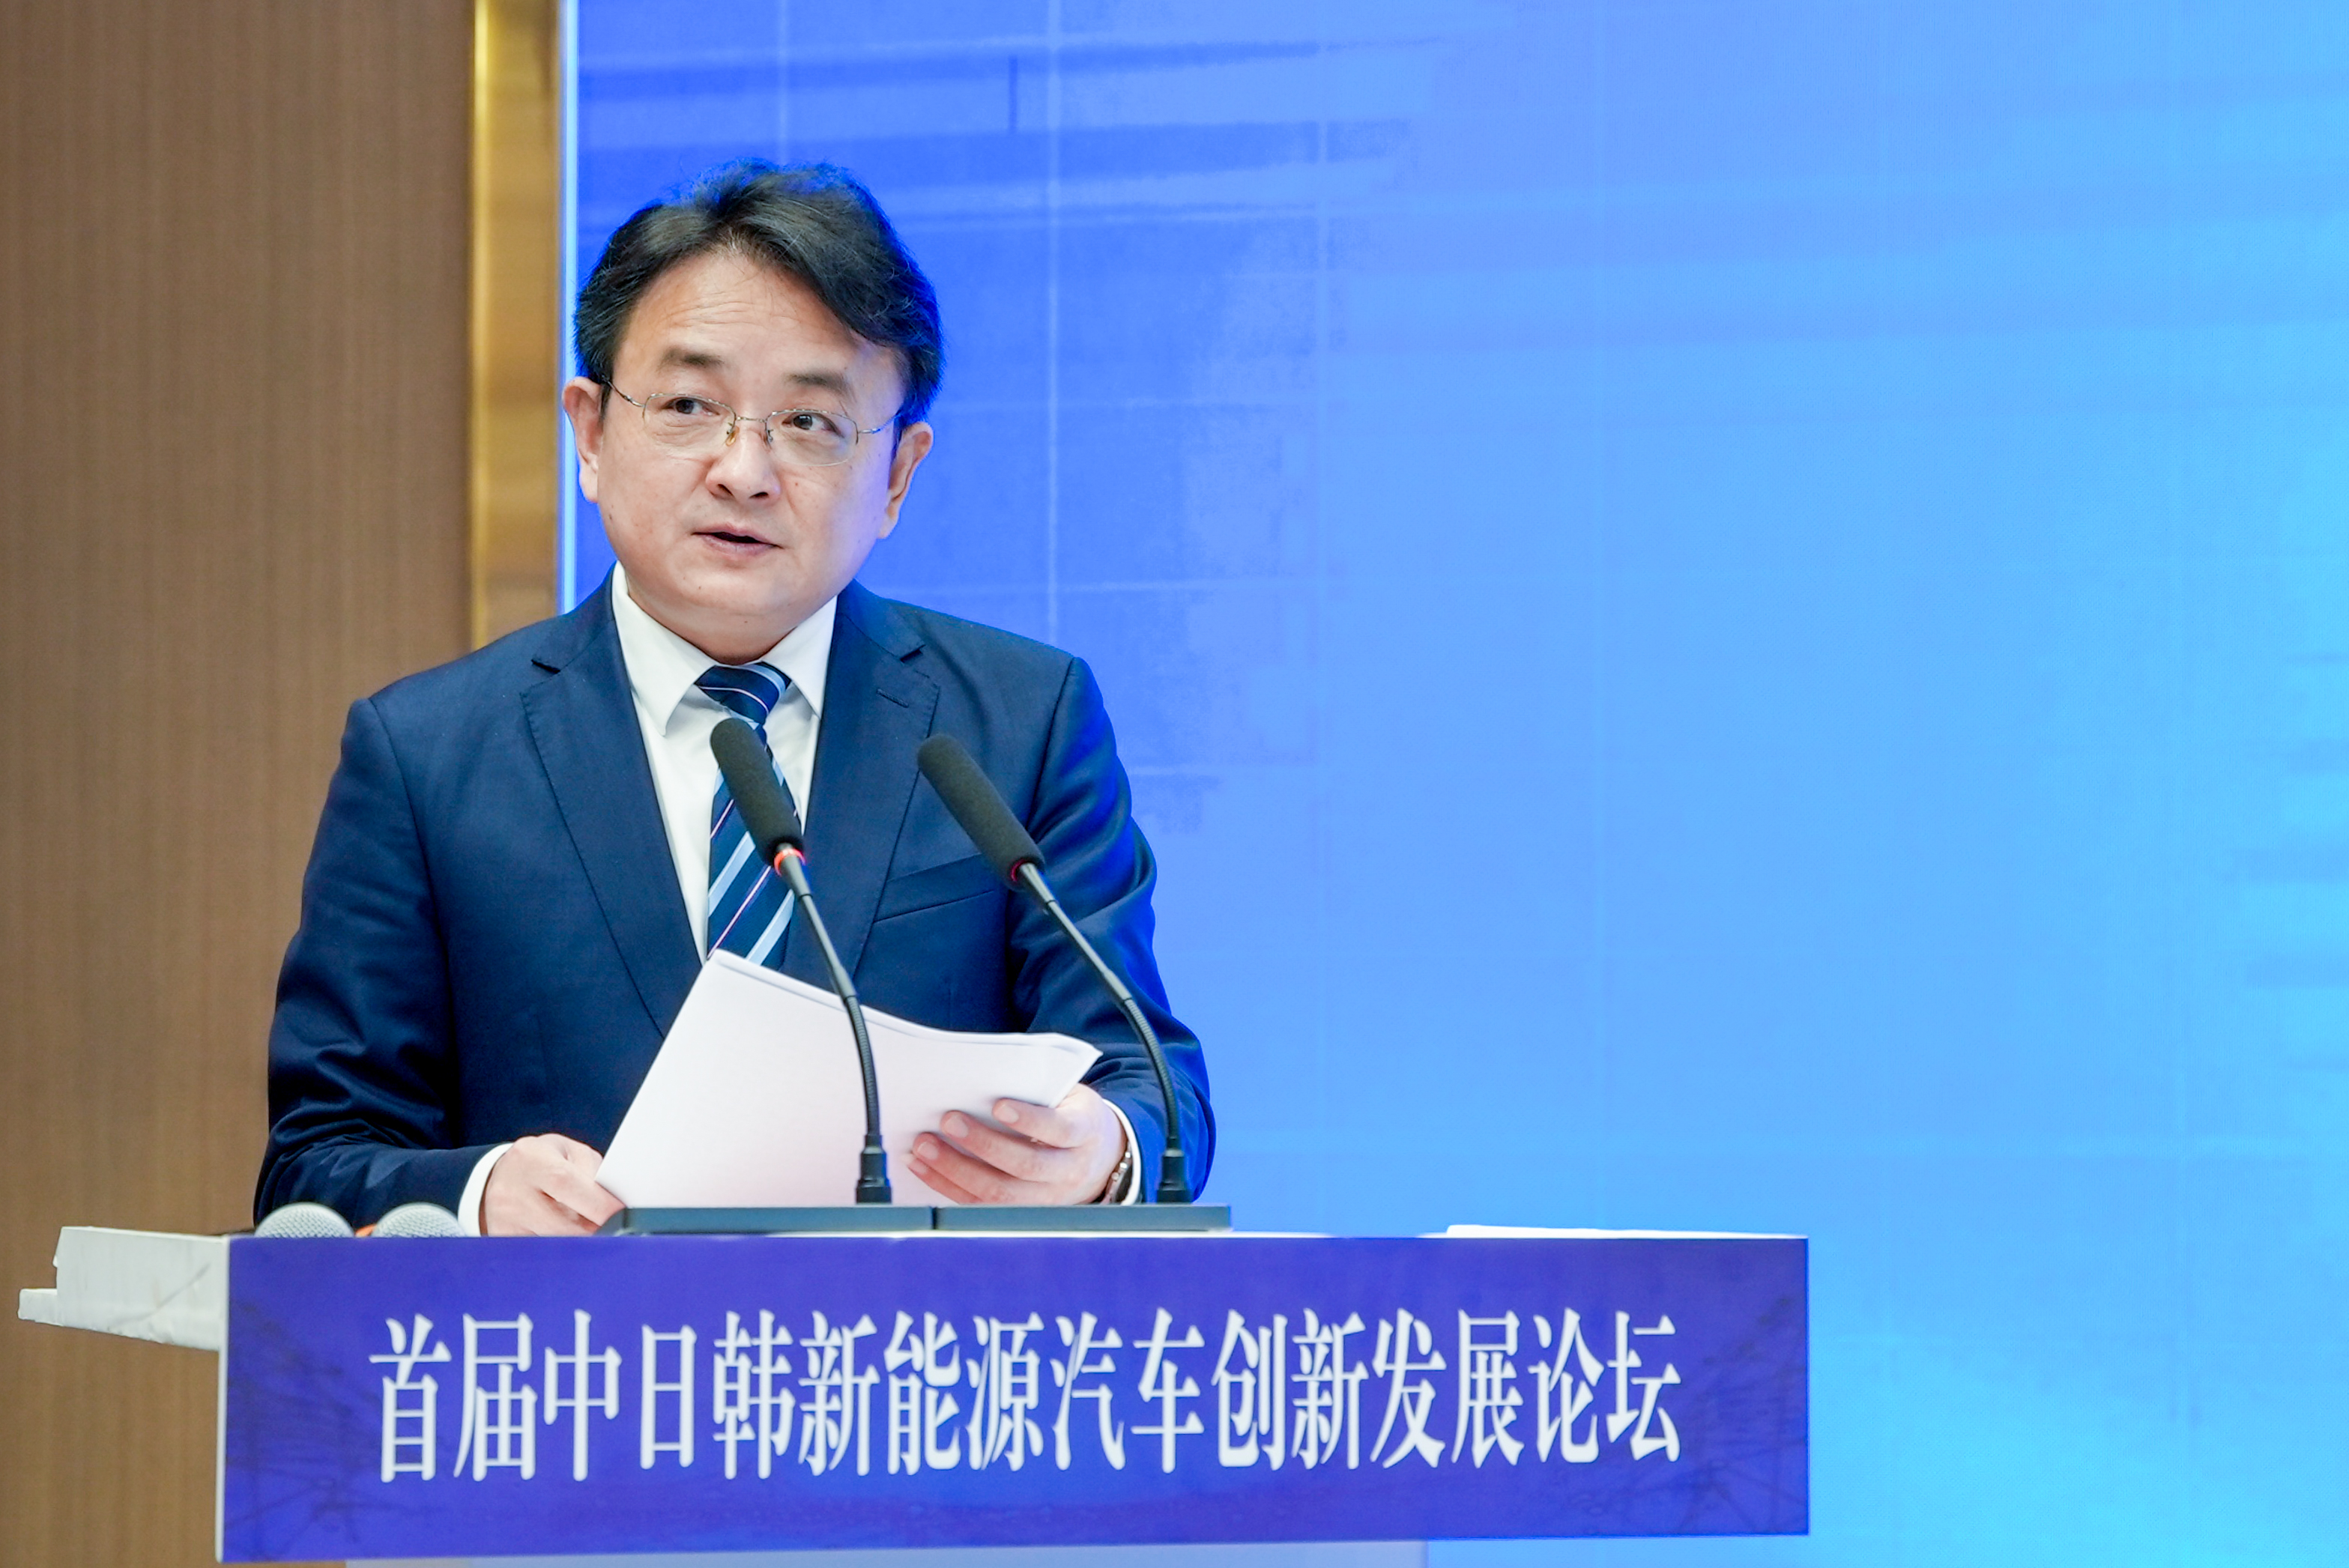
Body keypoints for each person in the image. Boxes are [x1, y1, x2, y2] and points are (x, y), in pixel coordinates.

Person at [256, 162, 1212, 1235]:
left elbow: (1142, 1069)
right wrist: (479, 1195)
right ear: (590, 432)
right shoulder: (427, 756)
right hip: (575, 1339)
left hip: (908, 1340)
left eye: (810, 422)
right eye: (688, 405)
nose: (744, 470)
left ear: (898, 476)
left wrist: (1104, 1150)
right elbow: (316, 1159)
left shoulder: (1021, 722)